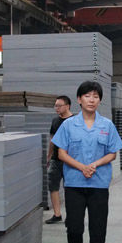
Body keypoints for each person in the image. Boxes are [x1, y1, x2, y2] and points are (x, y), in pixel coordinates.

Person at [52, 81, 122, 243]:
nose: (91, 100)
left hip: (98, 184)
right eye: (87, 96)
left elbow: (112, 153)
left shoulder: (107, 125)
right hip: (74, 183)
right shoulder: (68, 125)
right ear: (79, 99)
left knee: (98, 229)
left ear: (99, 100)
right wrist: (82, 167)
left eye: (95, 96)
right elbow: (61, 153)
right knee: (74, 227)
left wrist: (94, 165)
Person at [45, 95, 73, 224]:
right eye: (55, 106)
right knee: (53, 186)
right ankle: (57, 214)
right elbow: (52, 140)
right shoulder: (55, 121)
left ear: (67, 106)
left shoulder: (75, 121)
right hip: (56, 160)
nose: (56, 108)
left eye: (59, 106)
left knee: (70, 188)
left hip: (70, 161)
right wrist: (49, 156)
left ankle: (71, 215)